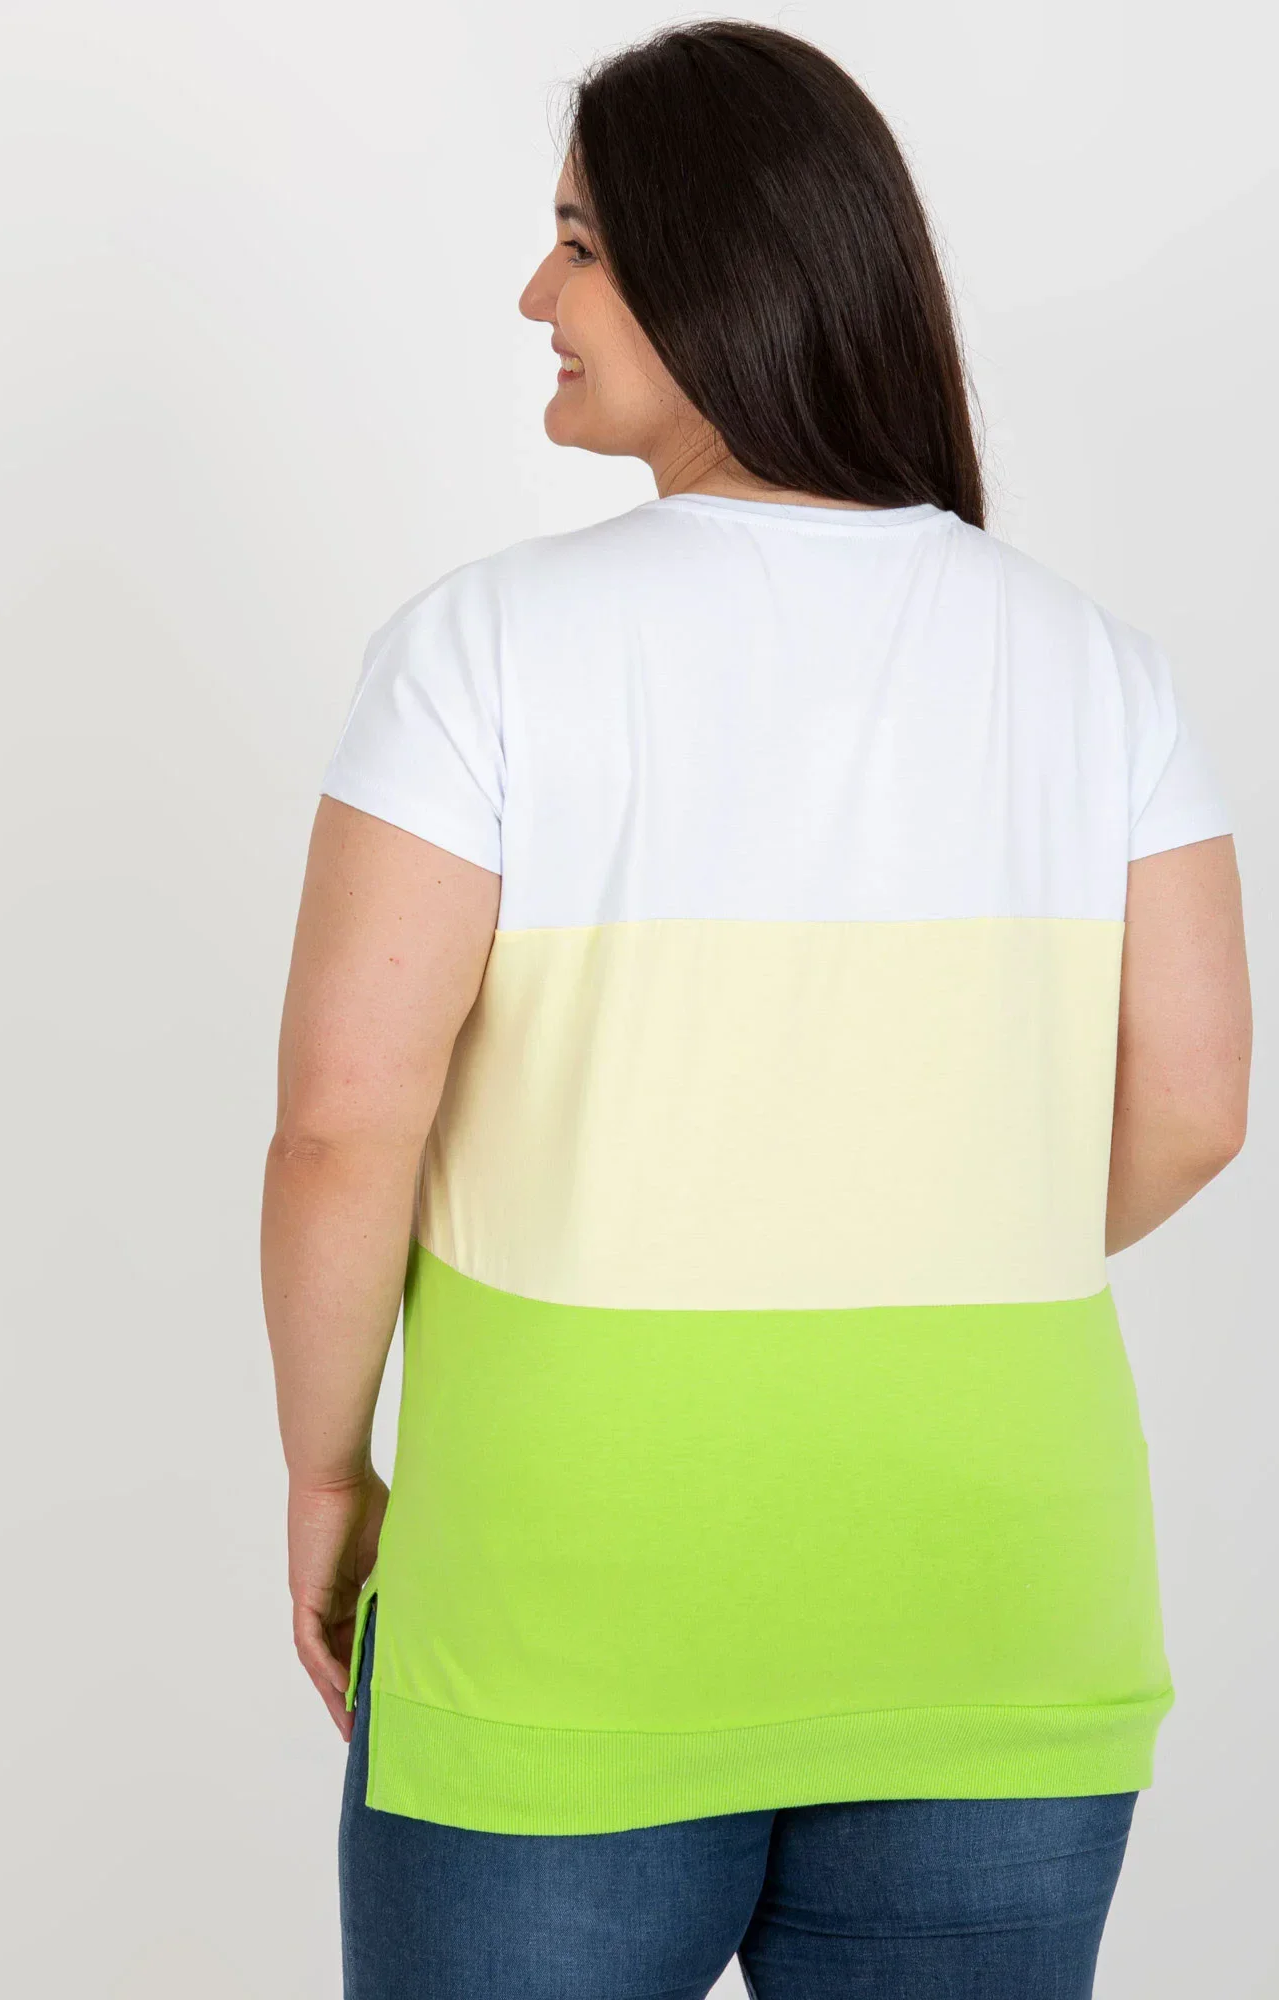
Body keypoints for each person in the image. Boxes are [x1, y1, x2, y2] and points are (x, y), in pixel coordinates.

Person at [260, 21, 1252, 2000]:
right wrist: (912, 1237)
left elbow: (345, 1118)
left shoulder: (480, 655)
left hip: (564, 1608)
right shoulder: (1096, 671)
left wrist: (329, 1471)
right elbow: (1198, 1109)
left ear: (723, 266)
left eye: (579, 247)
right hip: (996, 1607)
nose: (536, 297)